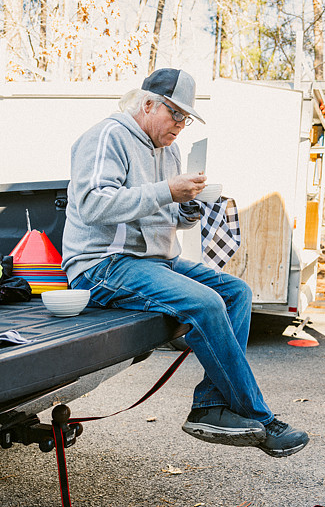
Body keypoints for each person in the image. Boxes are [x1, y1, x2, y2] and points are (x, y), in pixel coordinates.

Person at [61, 68, 309, 458]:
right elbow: (93, 206)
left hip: (156, 262)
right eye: (175, 113)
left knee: (236, 292)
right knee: (206, 303)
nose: (181, 124)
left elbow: (166, 214)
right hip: (103, 264)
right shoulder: (107, 136)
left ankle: (210, 406)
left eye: (186, 117)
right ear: (147, 104)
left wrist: (189, 205)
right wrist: (167, 190)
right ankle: (259, 416)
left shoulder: (169, 150)